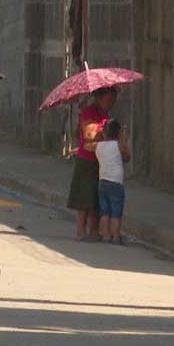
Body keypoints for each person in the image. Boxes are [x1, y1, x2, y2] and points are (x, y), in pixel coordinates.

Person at [67, 86, 117, 241]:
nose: (111, 103)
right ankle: (81, 230)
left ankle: (94, 231)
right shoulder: (89, 112)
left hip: (101, 161)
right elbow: (89, 135)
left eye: (113, 100)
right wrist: (104, 132)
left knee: (97, 199)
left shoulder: (104, 114)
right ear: (98, 98)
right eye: (108, 100)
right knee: (84, 198)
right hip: (87, 160)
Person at [93, 118, 131, 245]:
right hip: (115, 182)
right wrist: (123, 139)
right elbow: (127, 157)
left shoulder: (99, 146)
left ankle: (106, 236)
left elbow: (89, 146)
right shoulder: (118, 145)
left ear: (105, 133)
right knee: (116, 212)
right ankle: (115, 237)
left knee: (104, 211)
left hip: (102, 181)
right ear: (118, 133)